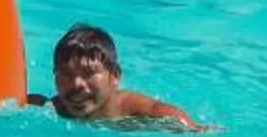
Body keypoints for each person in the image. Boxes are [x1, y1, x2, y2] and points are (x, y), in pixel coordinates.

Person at [36, 24, 202, 130]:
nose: (76, 83)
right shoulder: (52, 109)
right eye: (66, 73)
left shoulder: (136, 113)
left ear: (115, 76)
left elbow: (189, 127)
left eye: (88, 73)